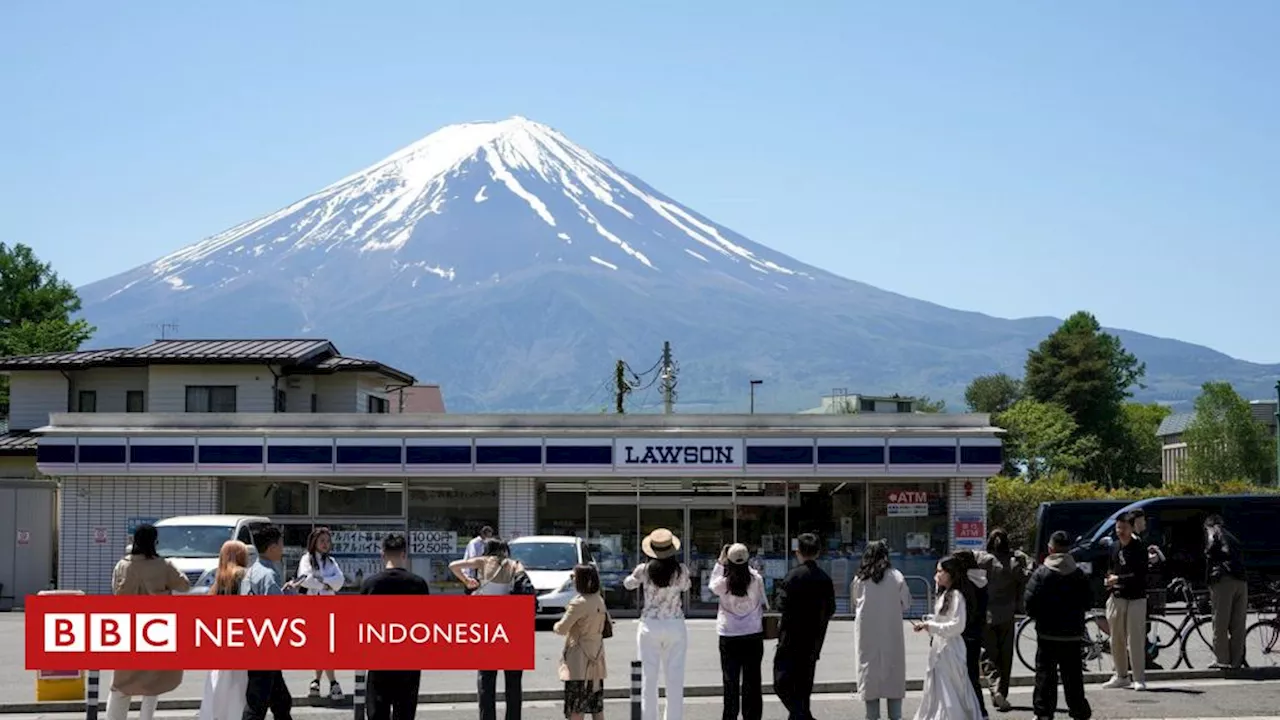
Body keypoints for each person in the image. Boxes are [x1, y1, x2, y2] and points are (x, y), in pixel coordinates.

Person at [107, 523, 190, 720]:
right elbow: (185, 585)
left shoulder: (122, 565)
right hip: (156, 629)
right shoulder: (163, 565)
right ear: (154, 542)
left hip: (126, 629)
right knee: (153, 683)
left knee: (121, 683)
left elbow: (114, 590)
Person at [450, 538, 526, 720]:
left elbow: (453, 565)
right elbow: (524, 584)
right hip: (512, 624)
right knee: (514, 682)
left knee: (486, 679)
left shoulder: (483, 561)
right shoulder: (515, 564)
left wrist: (468, 580)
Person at [623, 528, 691, 720]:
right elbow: (686, 587)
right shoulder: (681, 570)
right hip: (675, 623)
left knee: (648, 677)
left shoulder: (644, 570)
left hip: (649, 624)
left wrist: (633, 577)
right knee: (675, 678)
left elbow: (628, 584)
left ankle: (648, 717)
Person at [1024, 531, 1093, 720]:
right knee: (1073, 676)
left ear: (1050, 548)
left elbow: (1029, 603)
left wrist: (1039, 616)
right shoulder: (1079, 574)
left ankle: (1044, 712)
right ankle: (1079, 711)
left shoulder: (1041, 573)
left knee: (1045, 676)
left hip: (1047, 633)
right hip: (1073, 633)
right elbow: (1088, 601)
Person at [362, 534, 431, 720]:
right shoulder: (418, 584)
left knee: (378, 712)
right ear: (404, 554)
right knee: (405, 713)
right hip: (409, 659)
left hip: (378, 658)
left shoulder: (371, 585)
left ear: (382, 554)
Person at [911, 555, 983, 720]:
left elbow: (957, 625)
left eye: (940, 571)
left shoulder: (956, 596)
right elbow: (943, 620)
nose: (937, 575)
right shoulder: (946, 594)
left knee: (949, 689)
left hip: (951, 649)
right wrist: (928, 623)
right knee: (941, 688)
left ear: (951, 573)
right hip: (941, 647)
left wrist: (931, 626)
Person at [773, 533, 836, 720]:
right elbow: (831, 608)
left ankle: (801, 715)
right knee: (803, 686)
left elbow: (780, 604)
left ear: (798, 552)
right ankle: (802, 715)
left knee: (781, 682)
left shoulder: (793, 576)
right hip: (814, 639)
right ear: (818, 552)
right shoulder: (824, 578)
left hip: (790, 639)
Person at [242, 526, 298, 720]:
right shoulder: (268, 575)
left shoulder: (253, 571)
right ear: (272, 547)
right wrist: (289, 595)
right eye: (281, 543)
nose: (283, 548)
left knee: (280, 700)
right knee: (257, 704)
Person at [851, 540, 910, 720]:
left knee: (870, 678)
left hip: (867, 635)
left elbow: (855, 602)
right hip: (892, 634)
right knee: (893, 676)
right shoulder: (896, 576)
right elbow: (906, 603)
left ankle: (872, 715)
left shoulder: (860, 579)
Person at [709, 543, 767, 720]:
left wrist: (720, 563)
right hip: (753, 633)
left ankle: (730, 716)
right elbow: (765, 602)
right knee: (753, 680)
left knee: (730, 681)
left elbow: (711, 585)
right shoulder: (756, 579)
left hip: (729, 634)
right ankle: (752, 716)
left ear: (729, 561)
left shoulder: (724, 583)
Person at [976, 528, 1031, 713]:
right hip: (1007, 614)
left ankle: (994, 688)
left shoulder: (983, 560)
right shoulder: (1014, 562)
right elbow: (1027, 577)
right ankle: (1002, 692)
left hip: (986, 614)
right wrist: (1025, 558)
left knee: (988, 655)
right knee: (1005, 657)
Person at [199, 541, 252, 720]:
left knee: (218, 681)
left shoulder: (219, 578)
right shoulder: (244, 574)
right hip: (240, 635)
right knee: (239, 685)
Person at [554, 564, 609, 720]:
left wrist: (555, 625)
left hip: (579, 659)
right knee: (596, 706)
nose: (572, 580)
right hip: (596, 657)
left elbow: (562, 629)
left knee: (576, 707)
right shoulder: (599, 600)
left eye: (574, 577)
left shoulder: (578, 603)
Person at [1102, 511, 1149, 691]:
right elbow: (1109, 569)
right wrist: (1109, 580)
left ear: (1132, 528)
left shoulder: (1139, 548)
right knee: (1116, 639)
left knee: (1135, 639)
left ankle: (1139, 677)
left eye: (1124, 528)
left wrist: (1119, 579)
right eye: (1118, 527)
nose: (1120, 531)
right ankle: (1121, 675)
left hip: (1136, 598)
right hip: (1116, 597)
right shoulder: (1113, 547)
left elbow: (1141, 574)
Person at [297, 527, 345, 700]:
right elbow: (305, 579)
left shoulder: (331, 561)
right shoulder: (306, 559)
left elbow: (339, 582)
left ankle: (318, 681)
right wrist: (327, 584)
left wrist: (321, 582)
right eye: (322, 541)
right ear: (314, 542)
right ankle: (332, 683)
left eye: (327, 541)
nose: (325, 544)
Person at [1204, 514, 1248, 669]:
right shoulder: (1232, 536)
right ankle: (1236, 662)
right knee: (1238, 625)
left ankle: (1222, 660)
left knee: (1220, 623)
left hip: (1224, 581)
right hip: (1241, 581)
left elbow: (1210, 549)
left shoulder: (1213, 532)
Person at [953, 551, 990, 720]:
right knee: (973, 676)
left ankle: (967, 712)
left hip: (962, 635)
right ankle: (981, 711)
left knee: (958, 677)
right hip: (976, 634)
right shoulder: (981, 580)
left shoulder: (962, 583)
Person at [462, 526, 496, 592]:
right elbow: (473, 557)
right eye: (488, 536)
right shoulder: (474, 542)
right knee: (471, 592)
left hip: (479, 574)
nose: (489, 538)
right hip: (471, 574)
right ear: (483, 534)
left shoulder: (486, 543)